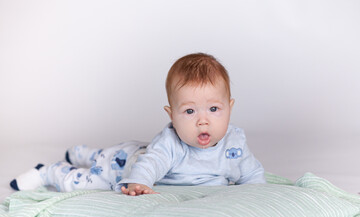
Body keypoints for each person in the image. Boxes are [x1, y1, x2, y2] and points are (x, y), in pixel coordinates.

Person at [10, 53, 266, 196]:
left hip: (134, 149)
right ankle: (50, 171)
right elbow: (151, 164)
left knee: (104, 154)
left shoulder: (235, 144)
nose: (203, 120)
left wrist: (259, 195)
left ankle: (84, 152)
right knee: (90, 180)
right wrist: (140, 184)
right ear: (171, 115)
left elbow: (252, 175)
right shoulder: (170, 144)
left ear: (230, 108)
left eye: (214, 109)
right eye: (189, 111)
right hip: (126, 166)